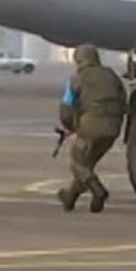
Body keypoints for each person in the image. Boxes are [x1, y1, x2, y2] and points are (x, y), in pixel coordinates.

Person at [56, 44, 127, 212]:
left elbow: (66, 107)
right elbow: (123, 100)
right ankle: (70, 197)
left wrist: (72, 126)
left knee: (76, 162)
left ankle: (98, 191)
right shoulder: (111, 75)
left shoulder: (77, 78)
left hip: (91, 127)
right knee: (86, 165)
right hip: (113, 128)